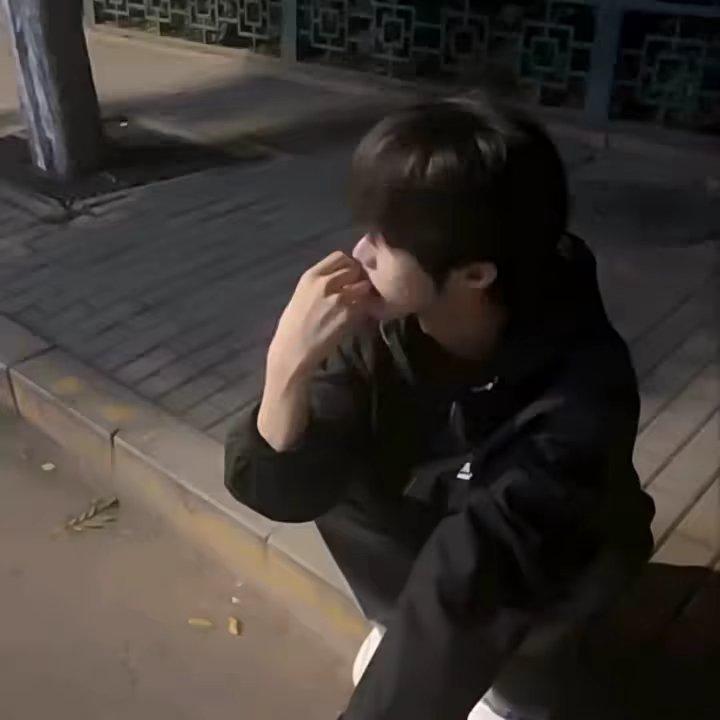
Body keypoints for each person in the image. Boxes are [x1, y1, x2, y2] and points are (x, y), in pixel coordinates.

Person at [224, 97, 655, 719]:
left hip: (537, 600)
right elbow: (286, 491)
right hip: (439, 572)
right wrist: (286, 365)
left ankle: (509, 694)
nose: (361, 252)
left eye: (387, 241)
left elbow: (478, 573)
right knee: (318, 446)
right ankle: (409, 641)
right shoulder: (382, 328)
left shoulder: (580, 393)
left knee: (530, 645)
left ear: (475, 274)